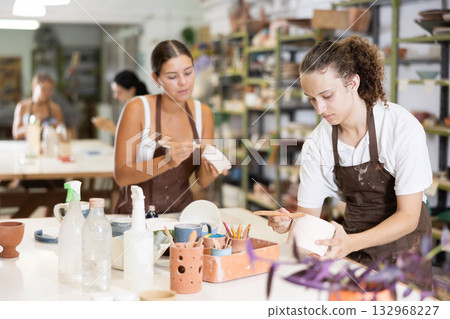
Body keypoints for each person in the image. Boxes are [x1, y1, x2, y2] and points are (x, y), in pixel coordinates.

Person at [263, 36, 432, 284]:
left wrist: (351, 242)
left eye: (327, 96)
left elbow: (409, 217)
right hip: (354, 249)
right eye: (311, 99)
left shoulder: (400, 128)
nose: (319, 109)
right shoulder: (318, 143)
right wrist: (291, 225)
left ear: (352, 83)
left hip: (407, 250)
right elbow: (307, 216)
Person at [114, 40, 224, 214]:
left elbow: (201, 181)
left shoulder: (204, 114)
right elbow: (121, 176)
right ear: (156, 79)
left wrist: (212, 169)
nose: (183, 82)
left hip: (181, 217)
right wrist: (167, 161)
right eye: (172, 77)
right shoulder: (137, 109)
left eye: (188, 73)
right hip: (135, 218)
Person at [92, 70, 149, 135]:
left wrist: (111, 127)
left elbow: (133, 139)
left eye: (119, 92)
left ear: (132, 90)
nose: (115, 96)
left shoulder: (143, 107)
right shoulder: (132, 106)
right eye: (114, 92)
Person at [12, 73, 64, 140]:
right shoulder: (22, 107)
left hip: (48, 146)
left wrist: (51, 126)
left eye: (50, 90)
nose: (47, 93)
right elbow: (16, 134)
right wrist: (34, 124)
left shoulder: (55, 109)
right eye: (44, 89)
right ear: (34, 86)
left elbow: (61, 133)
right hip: (27, 146)